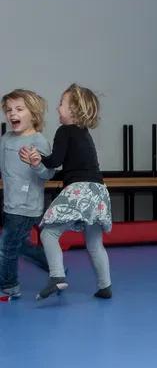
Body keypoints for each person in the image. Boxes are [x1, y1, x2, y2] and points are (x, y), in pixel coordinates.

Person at [24, 84, 112, 301]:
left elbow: (55, 161)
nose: (57, 108)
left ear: (73, 109)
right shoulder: (84, 133)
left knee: (49, 233)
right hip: (98, 191)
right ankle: (105, 286)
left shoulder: (65, 131)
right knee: (94, 243)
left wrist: (38, 157)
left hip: (80, 190)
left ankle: (57, 276)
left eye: (61, 104)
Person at [1, 89, 53, 301]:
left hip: (27, 205)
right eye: (8, 110)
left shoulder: (39, 141)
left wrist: (36, 163)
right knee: (19, 244)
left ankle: (10, 285)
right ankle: (54, 266)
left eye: (19, 109)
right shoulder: (6, 138)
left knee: (6, 247)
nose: (12, 113)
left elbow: (48, 173)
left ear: (34, 114)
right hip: (10, 202)